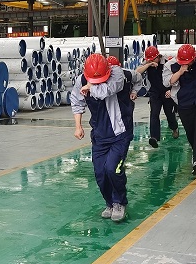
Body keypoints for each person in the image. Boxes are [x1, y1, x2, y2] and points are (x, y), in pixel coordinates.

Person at [72, 53, 140, 223]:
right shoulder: (81, 80)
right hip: (100, 135)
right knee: (100, 173)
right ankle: (109, 203)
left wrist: (90, 87)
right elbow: (77, 102)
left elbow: (107, 90)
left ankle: (119, 202)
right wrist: (78, 126)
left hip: (120, 133)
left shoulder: (118, 74)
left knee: (112, 169)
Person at [164, 44, 196, 176]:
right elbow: (167, 82)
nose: (186, 64)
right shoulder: (170, 65)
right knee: (190, 131)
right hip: (184, 102)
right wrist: (180, 71)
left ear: (194, 57)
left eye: (189, 61)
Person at [135, 46, 179, 148]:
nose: (151, 61)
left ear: (158, 57)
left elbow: (175, 77)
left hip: (167, 92)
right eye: (149, 59)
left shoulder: (167, 63)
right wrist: (148, 64)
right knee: (154, 114)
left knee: (170, 114)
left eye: (152, 59)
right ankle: (154, 137)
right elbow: (136, 72)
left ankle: (174, 128)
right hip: (154, 93)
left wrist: (171, 90)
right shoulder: (147, 63)